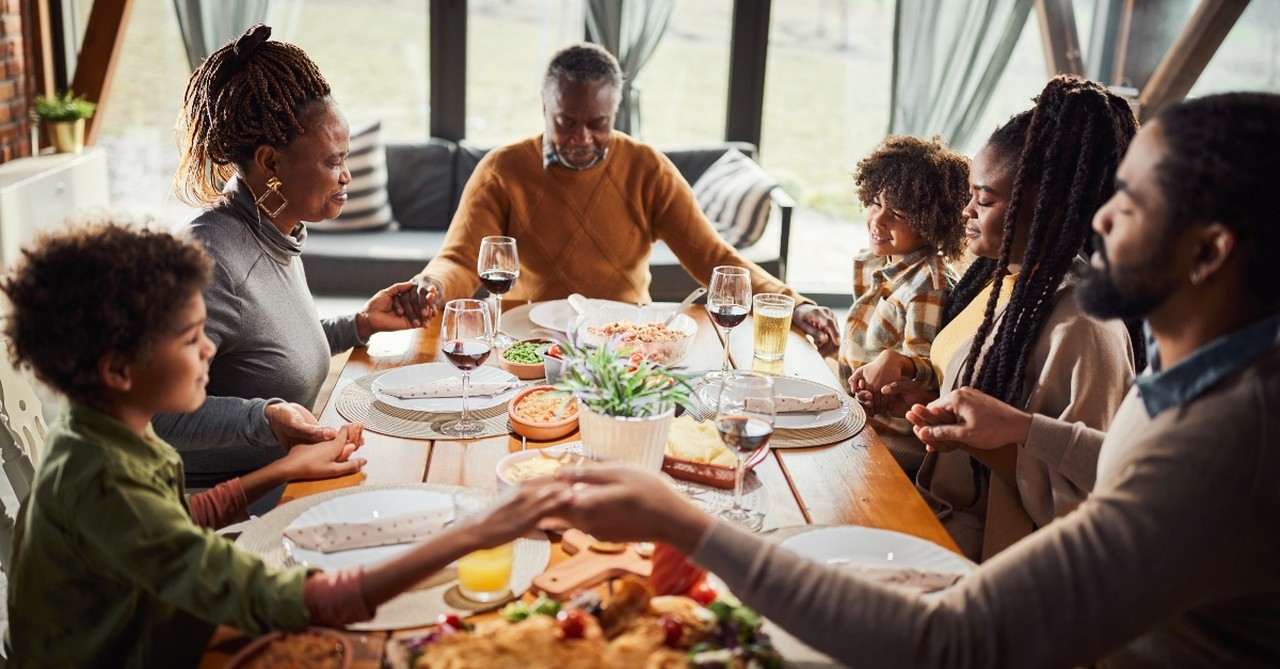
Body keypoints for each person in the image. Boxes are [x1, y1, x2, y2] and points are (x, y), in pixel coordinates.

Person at [557, 91, 1280, 667]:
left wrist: (678, 522)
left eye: (1132, 201)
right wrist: (1026, 431)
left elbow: (953, 642)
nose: (1103, 217)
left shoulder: (1229, 442)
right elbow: (1128, 470)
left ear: (1209, 251)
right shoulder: (1207, 379)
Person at [1, 222, 572, 667]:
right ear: (118, 369)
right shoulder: (102, 476)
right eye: (192, 339)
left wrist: (283, 470)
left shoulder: (101, 426)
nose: (210, 352)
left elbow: (168, 523)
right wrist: (472, 534)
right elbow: (281, 596)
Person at [851, 76, 1141, 560]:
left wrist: (975, 439)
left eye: (984, 201)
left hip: (990, 558)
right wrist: (927, 405)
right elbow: (993, 411)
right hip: (937, 510)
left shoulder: (1086, 329)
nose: (965, 211)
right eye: (970, 193)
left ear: (1049, 210)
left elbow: (1087, 499)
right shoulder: (997, 280)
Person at [395, 42, 841, 356]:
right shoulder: (503, 168)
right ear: (544, 109)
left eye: (598, 122)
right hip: (524, 341)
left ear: (615, 112)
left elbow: (713, 257)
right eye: (566, 121)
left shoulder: (647, 167)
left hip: (627, 342)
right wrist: (430, 286)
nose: (581, 138)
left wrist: (794, 303)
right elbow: (459, 259)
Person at [159, 24, 421, 491]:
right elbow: (154, 411)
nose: (346, 178)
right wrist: (263, 418)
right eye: (332, 162)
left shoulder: (273, 230)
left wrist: (359, 325)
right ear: (271, 163)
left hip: (282, 474)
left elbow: (262, 353)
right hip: (220, 502)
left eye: (347, 158)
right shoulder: (211, 259)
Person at [836, 135, 969, 472]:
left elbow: (928, 369)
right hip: (858, 408)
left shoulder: (928, 286)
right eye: (876, 204)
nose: (878, 221)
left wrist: (898, 365)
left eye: (897, 213)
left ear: (931, 224)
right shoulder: (877, 260)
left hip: (892, 434)